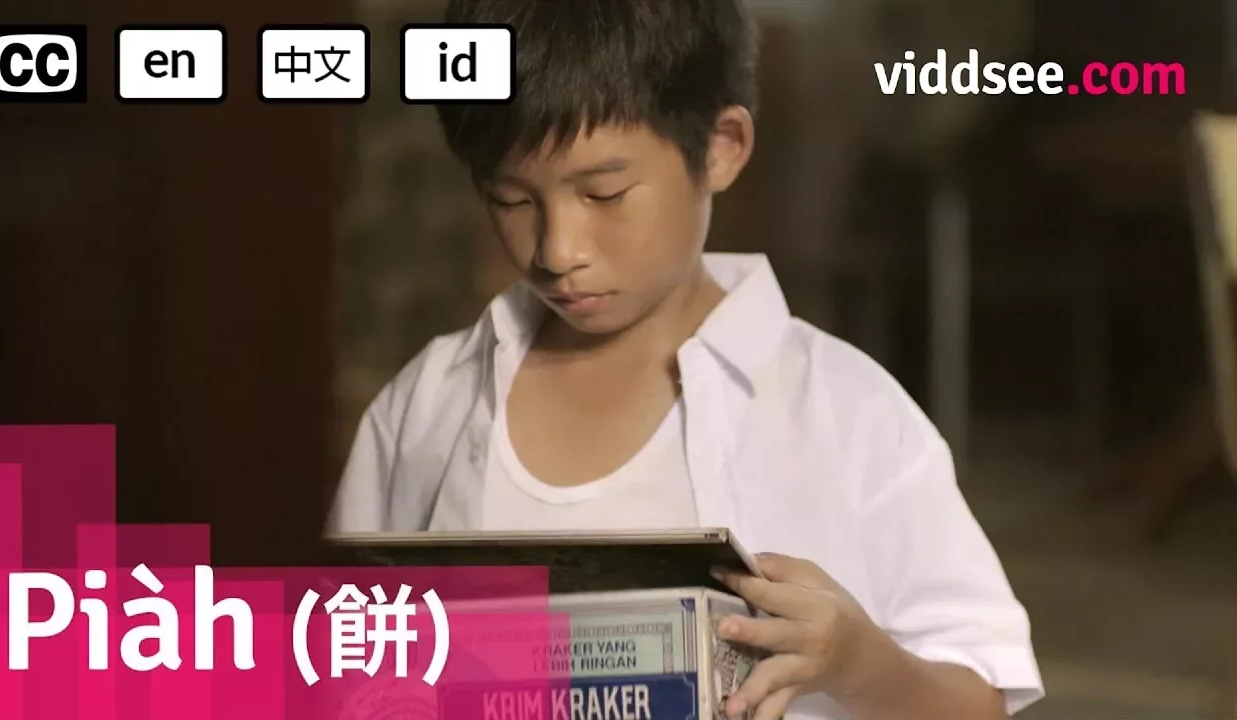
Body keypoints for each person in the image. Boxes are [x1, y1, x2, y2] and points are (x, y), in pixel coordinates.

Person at [329, 0, 1044, 717]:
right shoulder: (428, 404)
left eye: (604, 193)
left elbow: (980, 699)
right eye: (510, 199)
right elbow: (333, 661)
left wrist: (858, 663)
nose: (557, 250)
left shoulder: (851, 414)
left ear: (721, 147)